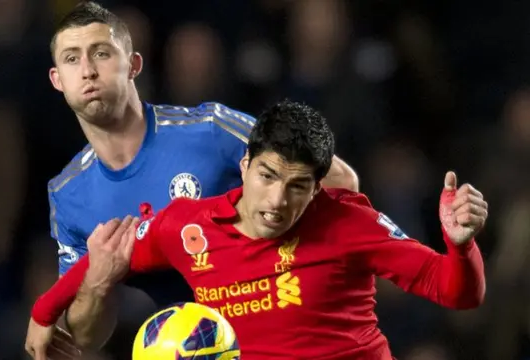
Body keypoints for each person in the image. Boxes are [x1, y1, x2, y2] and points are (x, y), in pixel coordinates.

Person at [27, 100, 488, 360]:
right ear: (244, 165)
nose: (276, 202)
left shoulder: (350, 221)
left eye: (298, 186)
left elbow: (457, 292)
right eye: (267, 176)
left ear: (316, 188)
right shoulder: (188, 225)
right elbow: (108, 253)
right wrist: (44, 312)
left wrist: (460, 243)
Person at [33, 1, 359, 359]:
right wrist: (97, 282)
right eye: (72, 59)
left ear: (134, 65)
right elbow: (88, 337)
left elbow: (340, 181)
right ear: (57, 80)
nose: (88, 71)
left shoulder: (210, 130)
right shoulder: (68, 195)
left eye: (101, 53)